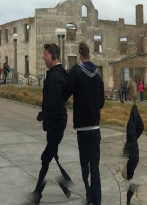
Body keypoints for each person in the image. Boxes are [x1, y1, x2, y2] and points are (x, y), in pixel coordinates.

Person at [61, 42, 105, 205]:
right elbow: (101, 103)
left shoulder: (76, 72)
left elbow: (64, 94)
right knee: (95, 168)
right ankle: (97, 201)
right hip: (95, 128)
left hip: (82, 128)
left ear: (80, 54)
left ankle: (89, 197)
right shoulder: (98, 76)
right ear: (89, 54)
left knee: (84, 166)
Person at [30, 44, 73, 204]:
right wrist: (45, 114)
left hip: (56, 122)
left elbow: (55, 102)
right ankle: (64, 184)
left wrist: (46, 116)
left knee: (46, 157)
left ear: (54, 56)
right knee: (50, 154)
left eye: (45, 55)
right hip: (57, 120)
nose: (43, 57)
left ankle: (37, 193)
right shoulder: (59, 73)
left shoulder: (55, 76)